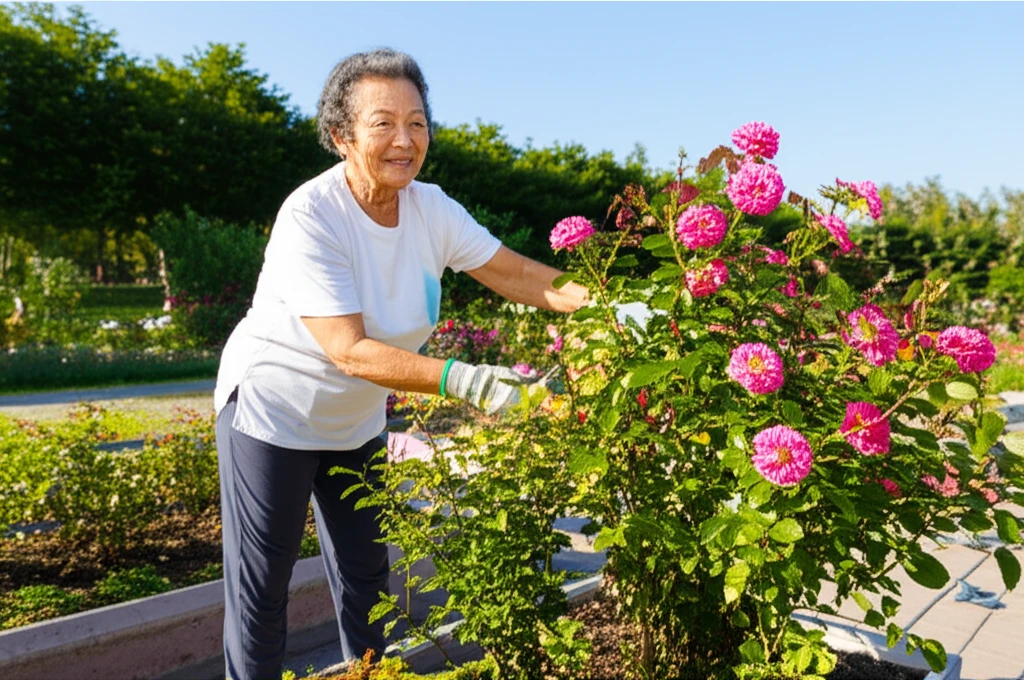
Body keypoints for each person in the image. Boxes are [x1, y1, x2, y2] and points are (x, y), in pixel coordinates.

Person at [213, 48, 589, 680]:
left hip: (354, 422)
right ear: (341, 136)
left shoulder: (431, 208)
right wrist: (471, 382)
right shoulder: (312, 214)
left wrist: (613, 307)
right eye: (382, 122)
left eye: (417, 122)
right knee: (262, 598)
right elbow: (347, 348)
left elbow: (518, 274)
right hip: (271, 413)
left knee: (368, 585)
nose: (405, 139)